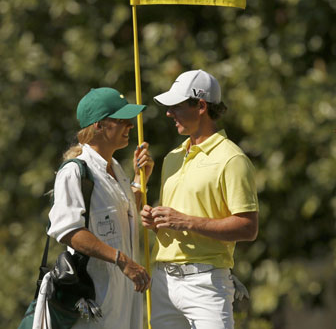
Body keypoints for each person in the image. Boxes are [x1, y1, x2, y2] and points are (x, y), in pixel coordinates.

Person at [141, 69, 259, 329]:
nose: (169, 113)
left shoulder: (233, 159)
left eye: (176, 106)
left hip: (206, 283)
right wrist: (154, 219)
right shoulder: (172, 157)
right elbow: (172, 221)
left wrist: (185, 221)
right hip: (163, 283)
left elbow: (248, 228)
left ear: (201, 106)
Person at [48, 87, 153, 328]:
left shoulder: (115, 167)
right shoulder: (74, 171)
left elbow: (122, 216)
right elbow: (69, 231)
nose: (130, 126)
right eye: (122, 120)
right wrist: (122, 260)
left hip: (123, 302)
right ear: (98, 126)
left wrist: (139, 179)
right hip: (93, 305)